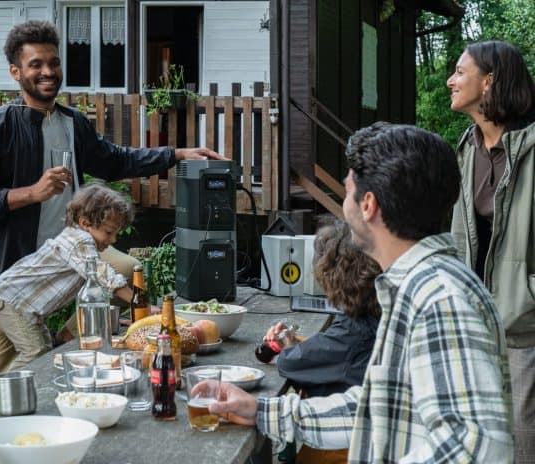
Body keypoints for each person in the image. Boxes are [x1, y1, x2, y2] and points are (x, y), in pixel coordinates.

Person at [195, 122, 514, 462]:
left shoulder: (439, 299)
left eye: (347, 192)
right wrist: (263, 412)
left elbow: (478, 448)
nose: (343, 206)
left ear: (368, 205)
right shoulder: (417, 286)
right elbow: (382, 409)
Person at [0, 20, 223, 377]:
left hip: (69, 256)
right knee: (6, 371)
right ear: (16, 72)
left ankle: (64, 339)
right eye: (36, 65)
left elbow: (116, 160)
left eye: (53, 62)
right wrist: (31, 193)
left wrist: (178, 154)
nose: (48, 72)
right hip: (8, 271)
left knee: (126, 269)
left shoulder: (72, 123)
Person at [447, 40, 535, 464]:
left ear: (489, 81)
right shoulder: (468, 149)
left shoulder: (533, 147)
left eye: (461, 72)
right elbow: (461, 236)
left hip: (525, 326)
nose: (451, 80)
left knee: (523, 441)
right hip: (477, 324)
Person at [263, 218, 380, 463]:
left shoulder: (351, 331)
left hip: (344, 450)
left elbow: (291, 363)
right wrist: (297, 340)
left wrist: (286, 344)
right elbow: (327, 351)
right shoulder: (373, 316)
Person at [0, 183, 137, 371]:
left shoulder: (80, 239)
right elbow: (103, 275)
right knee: (36, 352)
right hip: (10, 301)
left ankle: (11, 390)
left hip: (20, 305)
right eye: (109, 232)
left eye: (116, 233)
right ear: (84, 223)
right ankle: (7, 390)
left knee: (45, 349)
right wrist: (138, 302)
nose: (113, 240)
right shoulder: (80, 240)